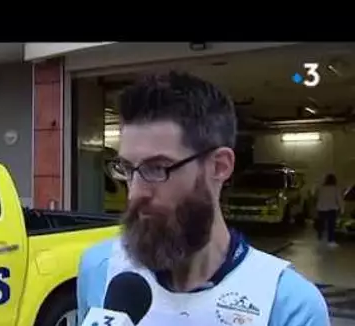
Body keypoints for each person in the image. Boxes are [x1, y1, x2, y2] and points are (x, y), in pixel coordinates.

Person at [77, 71, 329, 325]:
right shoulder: (99, 268)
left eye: (157, 168)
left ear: (219, 166)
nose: (135, 193)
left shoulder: (288, 304)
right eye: (128, 169)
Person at [315, 173, 343, 248]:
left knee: (321, 224)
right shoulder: (336, 188)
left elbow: (317, 197)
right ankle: (331, 241)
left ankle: (320, 238)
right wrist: (342, 209)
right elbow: (339, 199)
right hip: (331, 208)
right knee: (331, 226)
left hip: (321, 208)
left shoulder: (321, 188)